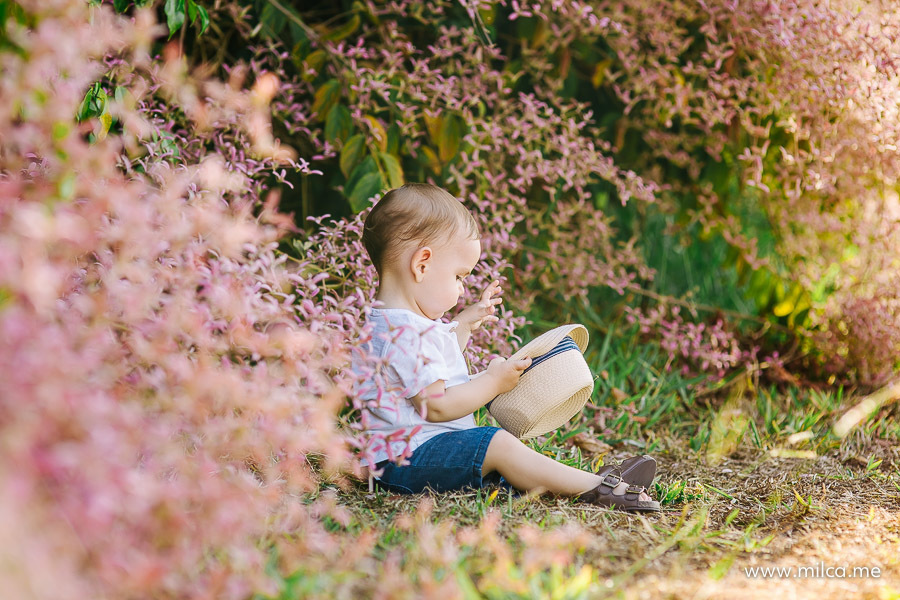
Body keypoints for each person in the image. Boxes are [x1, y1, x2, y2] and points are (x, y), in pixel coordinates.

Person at [355, 183, 660, 513]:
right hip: (405, 461)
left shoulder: (399, 325)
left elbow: (430, 371)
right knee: (497, 444)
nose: (461, 289)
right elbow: (437, 407)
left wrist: (462, 327)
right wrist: (493, 384)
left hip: (418, 452)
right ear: (422, 264)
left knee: (502, 456)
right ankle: (597, 487)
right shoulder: (404, 332)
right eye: (459, 277)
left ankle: (576, 479)